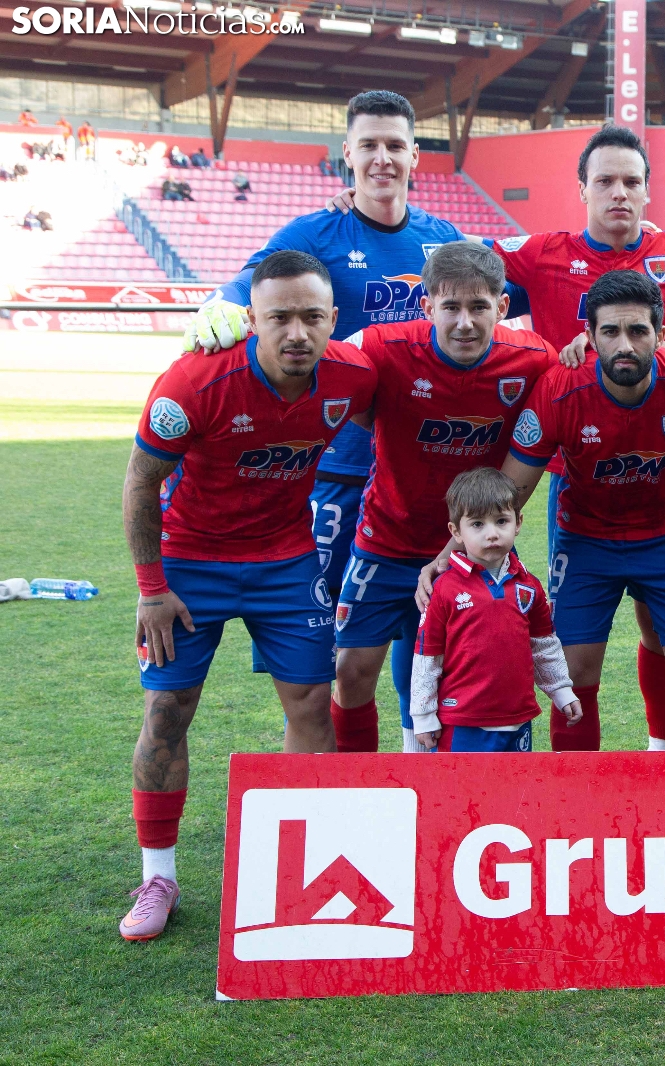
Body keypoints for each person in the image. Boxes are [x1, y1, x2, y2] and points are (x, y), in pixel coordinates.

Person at [185, 90, 500, 752]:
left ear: (415, 156)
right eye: (369, 145)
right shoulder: (314, 233)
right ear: (347, 155)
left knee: (430, 633)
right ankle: (340, 782)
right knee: (327, 654)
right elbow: (248, 285)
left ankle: (419, 765)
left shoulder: (443, 239)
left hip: (424, 476)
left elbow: (498, 296)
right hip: (336, 470)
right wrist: (219, 305)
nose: (383, 158)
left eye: (395, 145)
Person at [119, 250, 378, 942]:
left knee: (312, 705)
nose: (297, 332)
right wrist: (151, 590)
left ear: (333, 319)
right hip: (189, 563)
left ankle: (308, 867)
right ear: (252, 320)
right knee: (167, 710)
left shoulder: (354, 375)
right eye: (279, 317)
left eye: (312, 317)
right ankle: (158, 876)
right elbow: (140, 482)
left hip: (285, 561)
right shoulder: (193, 381)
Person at [478, 124, 665, 750]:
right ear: (582, 189)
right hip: (579, 497)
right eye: (604, 181)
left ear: (649, 190)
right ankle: (581, 795)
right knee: (573, 669)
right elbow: (459, 263)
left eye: (631, 181)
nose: (619, 193)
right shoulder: (544, 260)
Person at [419, 269, 665, 751]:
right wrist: (450, 552)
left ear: (661, 335)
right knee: (572, 675)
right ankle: (578, 792)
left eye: (638, 331)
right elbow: (511, 489)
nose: (625, 345)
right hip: (588, 541)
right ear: (589, 336)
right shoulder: (560, 389)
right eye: (610, 331)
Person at [328, 241, 559, 754]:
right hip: (387, 538)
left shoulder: (535, 359)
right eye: (450, 307)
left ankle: (422, 770)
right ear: (426, 306)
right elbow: (337, 381)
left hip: (476, 550)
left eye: (479, 306)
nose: (465, 322)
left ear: (502, 306)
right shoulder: (381, 346)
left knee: (460, 673)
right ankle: (358, 787)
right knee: (351, 672)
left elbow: (572, 382)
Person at [411, 468, 579, 753]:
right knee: (463, 784)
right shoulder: (444, 589)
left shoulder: (529, 586)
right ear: (456, 531)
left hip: (518, 719)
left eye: (501, 521)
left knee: (518, 783)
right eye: (477, 524)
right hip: (462, 723)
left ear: (518, 523)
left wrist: (561, 690)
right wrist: (423, 715)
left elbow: (544, 646)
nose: (491, 534)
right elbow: (427, 657)